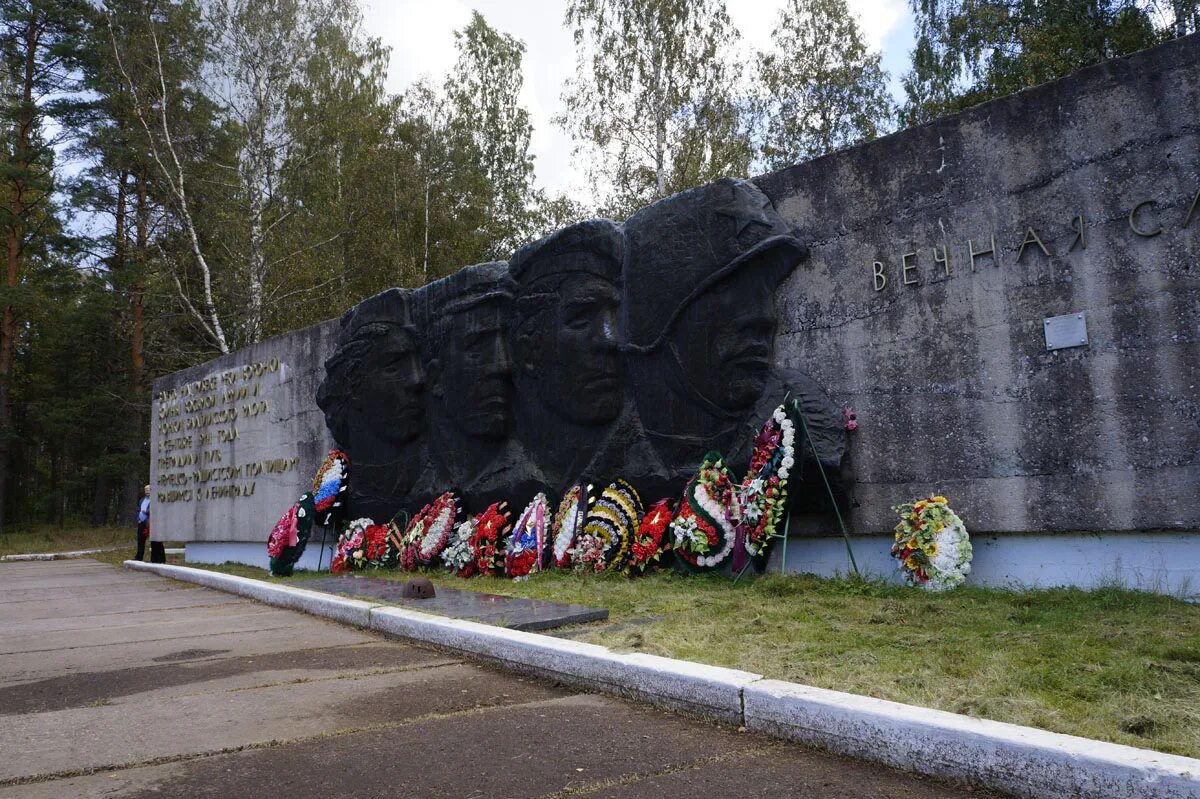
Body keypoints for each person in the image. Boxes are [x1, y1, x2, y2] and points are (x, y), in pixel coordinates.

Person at [135, 485, 151, 561]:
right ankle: (139, 557)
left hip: (149, 522)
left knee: (153, 541)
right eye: (145, 490)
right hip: (141, 522)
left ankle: (155, 558)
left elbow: (154, 510)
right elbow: (138, 510)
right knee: (140, 540)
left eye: (148, 490)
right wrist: (138, 518)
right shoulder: (142, 500)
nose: (147, 492)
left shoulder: (153, 500)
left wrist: (146, 512)